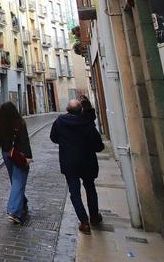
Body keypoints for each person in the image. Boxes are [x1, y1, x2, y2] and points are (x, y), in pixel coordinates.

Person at [50, 99, 105, 234]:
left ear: (67, 110)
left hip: (69, 163)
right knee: (90, 189)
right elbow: (99, 146)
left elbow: (53, 138)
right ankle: (94, 217)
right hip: (87, 162)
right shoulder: (87, 123)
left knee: (74, 193)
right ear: (81, 110)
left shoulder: (60, 122)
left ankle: (84, 222)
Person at [0, 102, 33, 224]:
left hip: (6, 154)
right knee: (18, 181)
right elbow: (25, 141)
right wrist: (28, 156)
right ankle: (14, 211)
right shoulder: (19, 123)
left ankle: (22, 202)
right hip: (19, 154)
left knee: (15, 180)